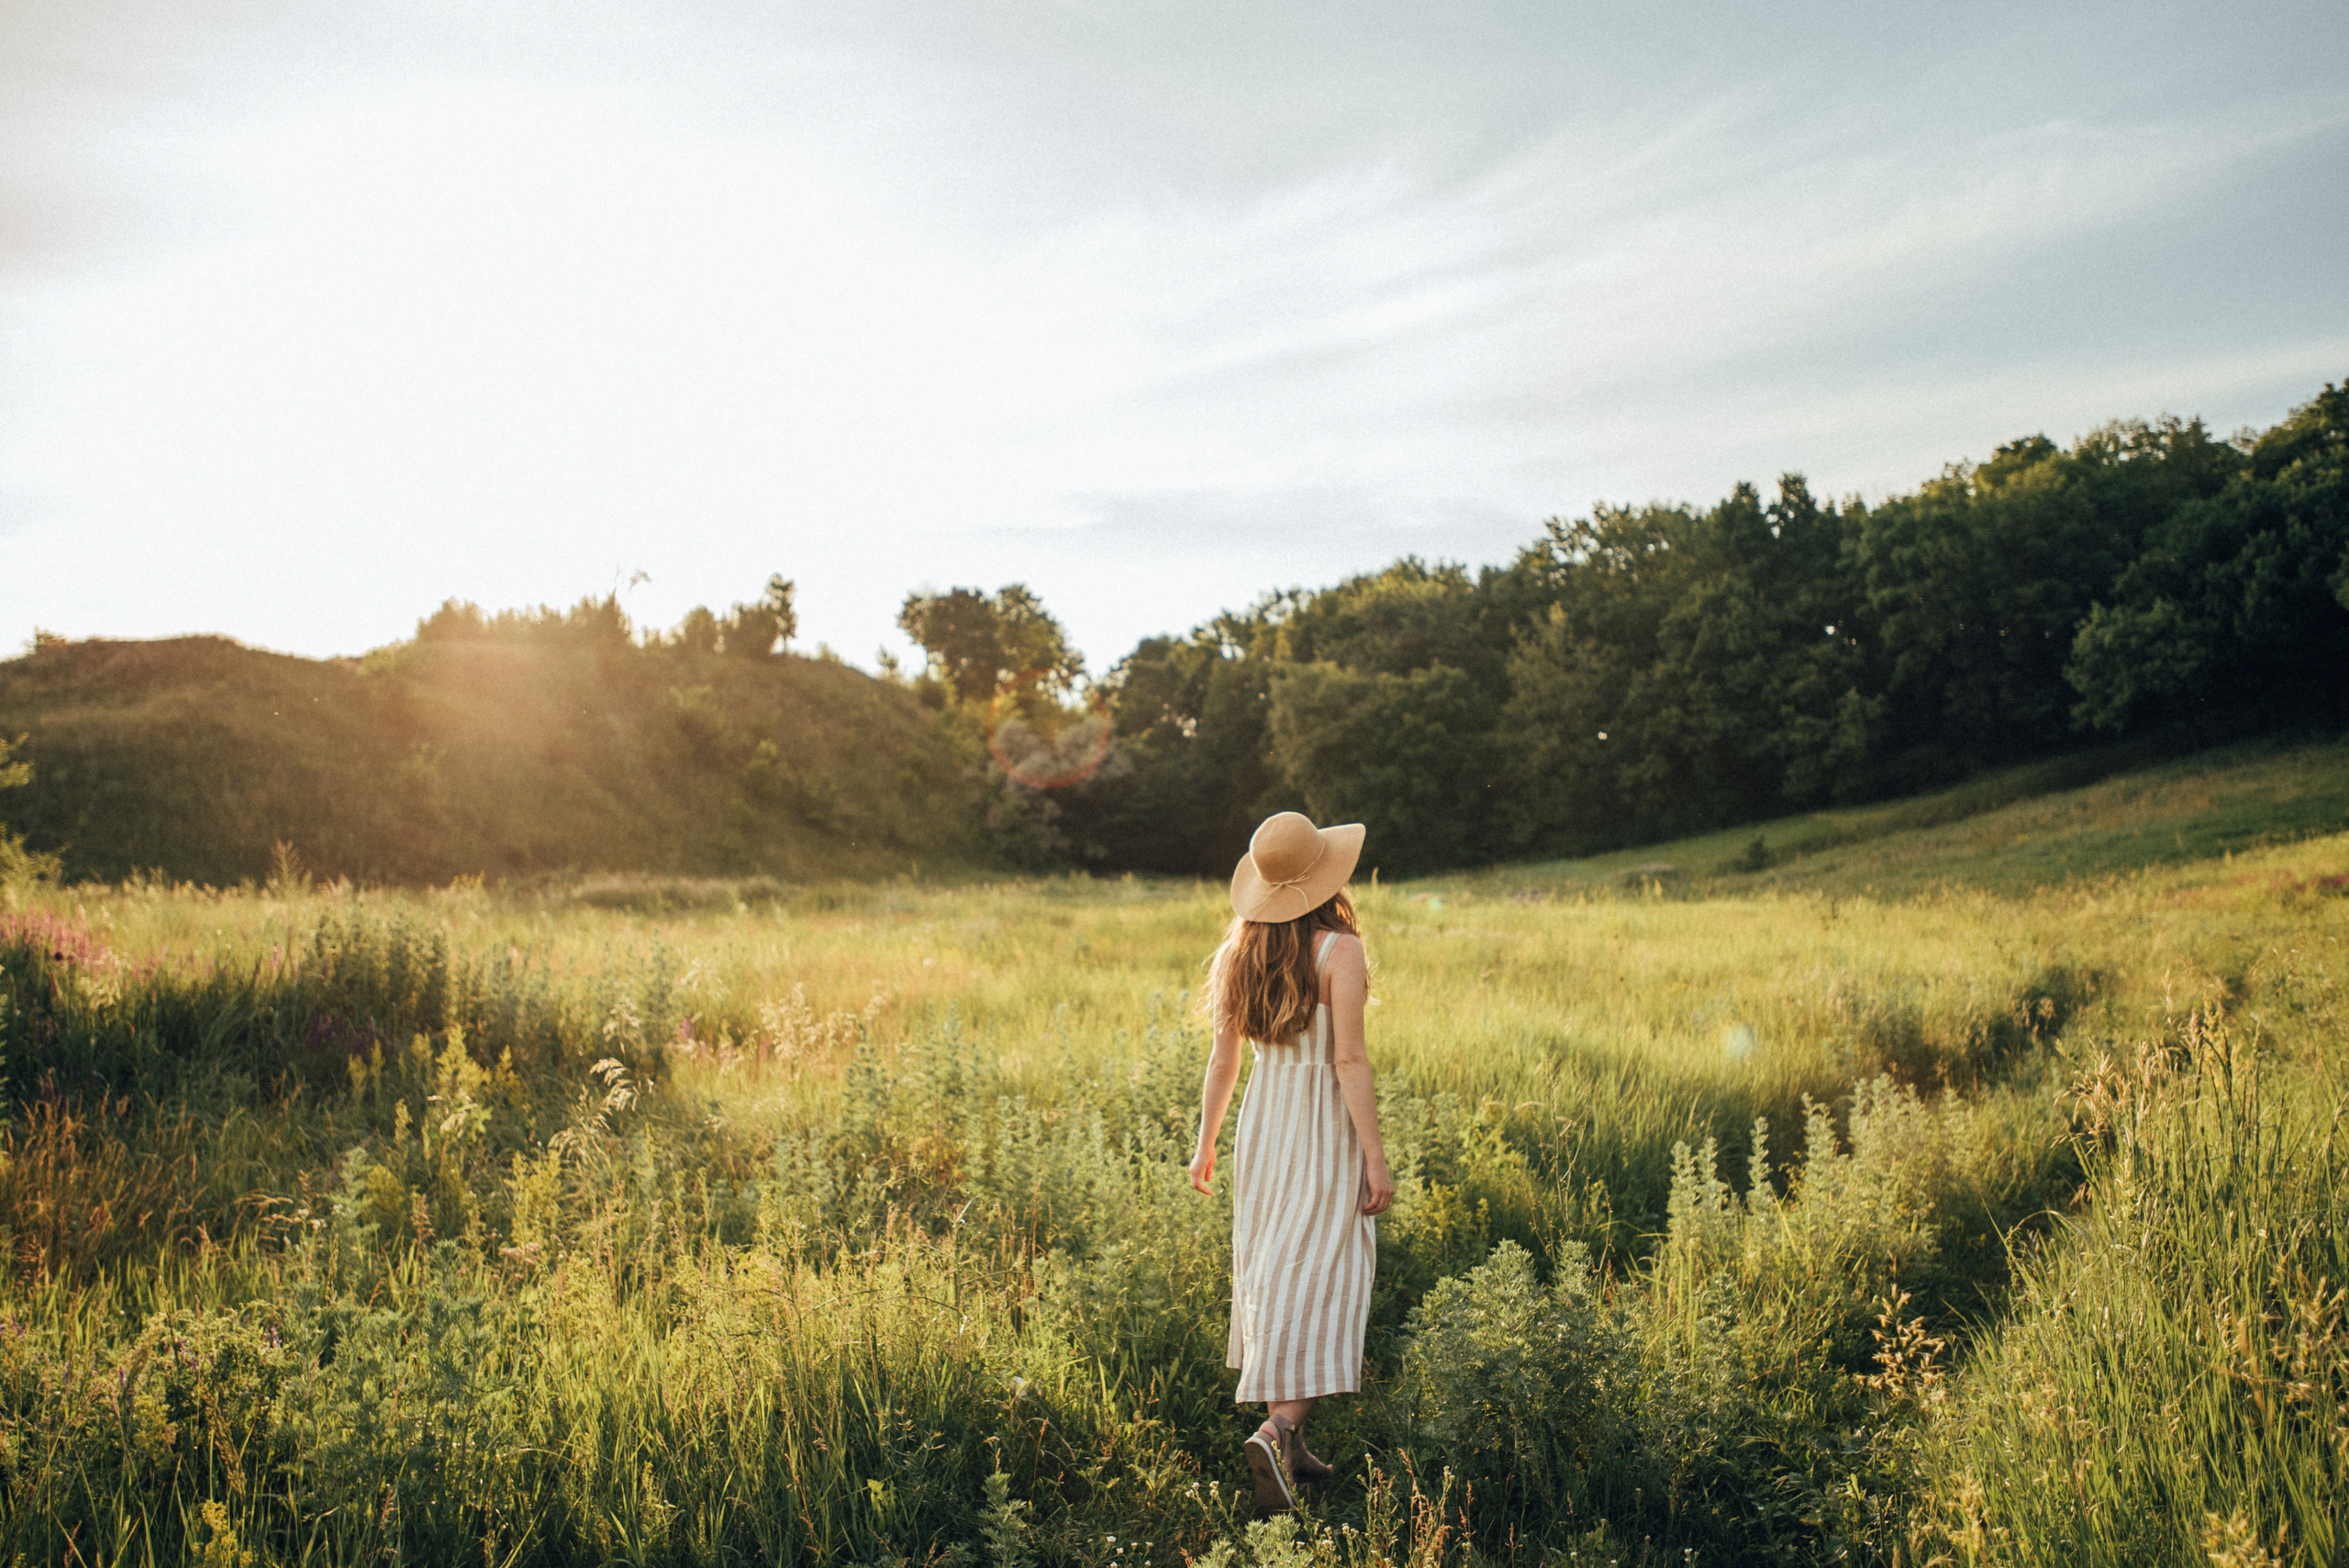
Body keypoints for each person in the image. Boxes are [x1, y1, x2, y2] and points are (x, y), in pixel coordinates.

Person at [1188, 810, 1396, 1514]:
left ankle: (1293, 1448)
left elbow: (1222, 1061)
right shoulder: (1341, 950)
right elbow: (1349, 1061)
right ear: (1325, 877)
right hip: (1322, 1129)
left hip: (1264, 1126)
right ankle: (1277, 1431)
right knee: (1330, 1271)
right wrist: (1375, 1158)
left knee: (1278, 1269)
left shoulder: (1237, 953)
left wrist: (1206, 1143)